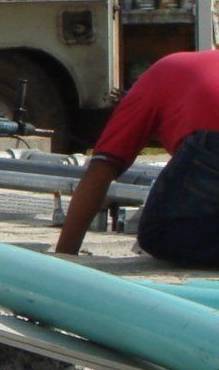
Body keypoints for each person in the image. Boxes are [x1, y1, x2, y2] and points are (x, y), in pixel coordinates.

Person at [55, 50, 219, 265]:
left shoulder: (152, 82)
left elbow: (101, 171)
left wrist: (63, 256)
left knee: (159, 233)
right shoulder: (200, 64)